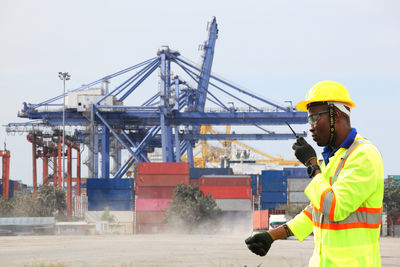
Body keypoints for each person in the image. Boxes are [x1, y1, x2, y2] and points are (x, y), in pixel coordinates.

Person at [245, 81, 384, 266]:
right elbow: (315, 212)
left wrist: (312, 165)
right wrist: (271, 236)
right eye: (309, 120)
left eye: (314, 118)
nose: (310, 127)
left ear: (335, 114)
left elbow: (334, 207)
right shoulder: (331, 159)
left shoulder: (363, 155)